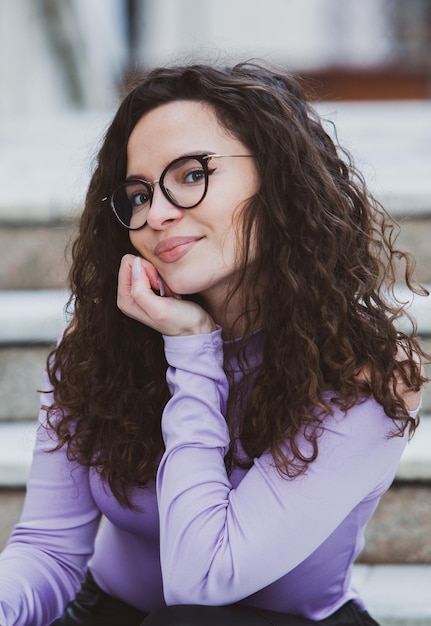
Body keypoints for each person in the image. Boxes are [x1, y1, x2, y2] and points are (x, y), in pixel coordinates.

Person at [0, 61, 427, 626]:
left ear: (279, 178)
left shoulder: (367, 371)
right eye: (137, 194)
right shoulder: (102, 338)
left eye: (192, 174)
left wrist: (193, 350)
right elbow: (47, 550)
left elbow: (202, 581)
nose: (156, 213)